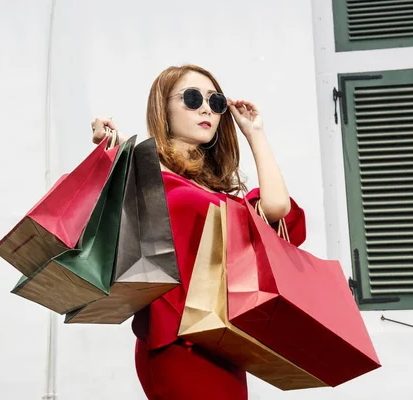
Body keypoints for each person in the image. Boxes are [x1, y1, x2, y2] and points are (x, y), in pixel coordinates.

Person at [90, 64, 306, 399]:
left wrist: (254, 133)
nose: (206, 108)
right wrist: (106, 143)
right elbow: (107, 192)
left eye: (215, 101)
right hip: (175, 341)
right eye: (192, 98)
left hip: (219, 339)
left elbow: (277, 208)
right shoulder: (145, 168)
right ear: (164, 108)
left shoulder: (216, 194)